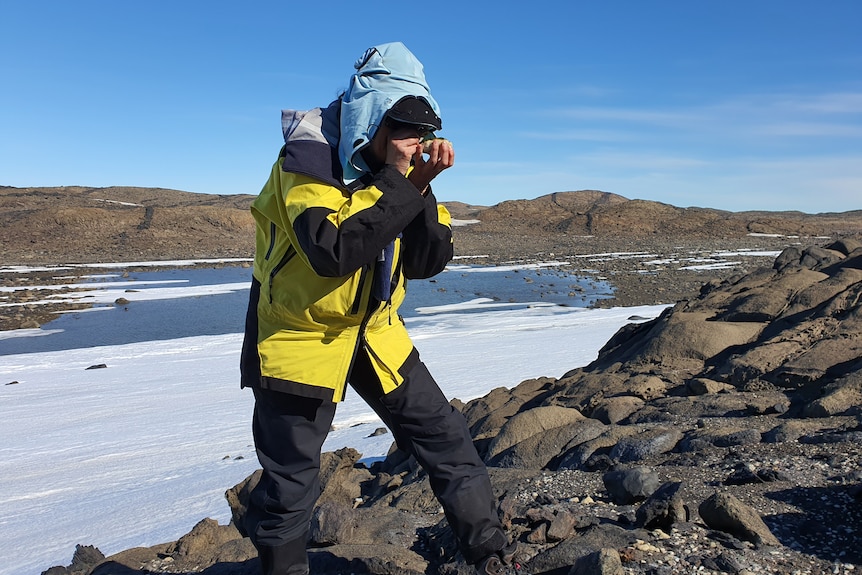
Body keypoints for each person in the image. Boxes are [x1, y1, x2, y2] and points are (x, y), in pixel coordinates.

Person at [239, 42, 522, 575]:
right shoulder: (307, 159)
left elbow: (426, 262)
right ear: (370, 116)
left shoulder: (402, 170)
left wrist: (419, 190)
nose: (413, 141)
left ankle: (492, 556)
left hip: (374, 332)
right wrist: (398, 183)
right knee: (291, 484)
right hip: (297, 338)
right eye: (400, 125)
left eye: (420, 130)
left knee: (448, 441)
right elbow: (333, 251)